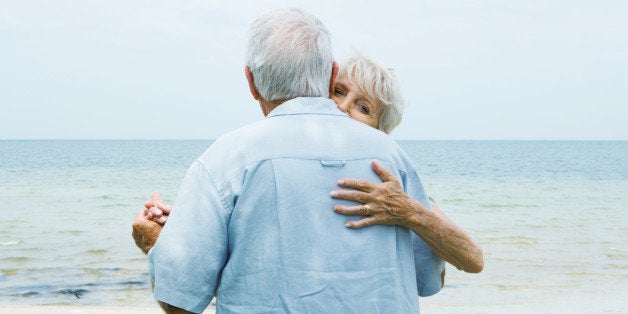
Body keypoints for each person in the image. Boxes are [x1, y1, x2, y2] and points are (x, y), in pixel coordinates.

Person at [144, 9, 446, 313]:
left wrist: (156, 243)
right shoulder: (393, 159)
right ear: (331, 76)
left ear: (251, 81)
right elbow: (429, 279)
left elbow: (179, 299)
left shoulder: (226, 158)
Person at [135, 55, 484, 274]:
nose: (344, 107)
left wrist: (410, 211)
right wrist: (178, 230)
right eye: (338, 91)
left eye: (363, 107)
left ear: (381, 132)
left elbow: (470, 261)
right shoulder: (270, 158)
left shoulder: (390, 185)